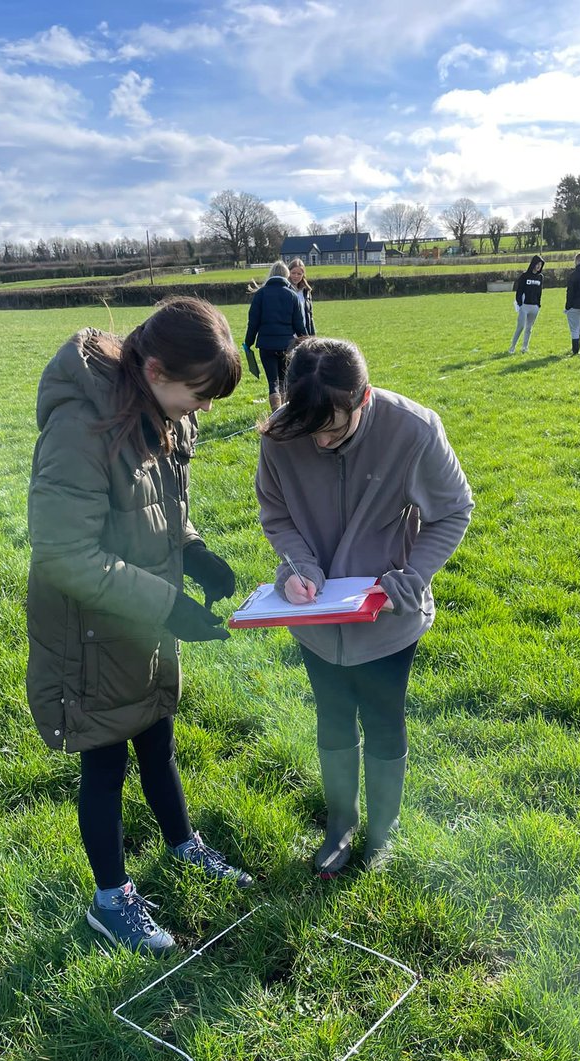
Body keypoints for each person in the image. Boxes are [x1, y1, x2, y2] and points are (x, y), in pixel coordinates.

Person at [27, 296, 252, 957]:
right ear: (154, 368)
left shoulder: (165, 413)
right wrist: (167, 604)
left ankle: (184, 845)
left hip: (145, 611)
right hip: (91, 626)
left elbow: (163, 505)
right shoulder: (80, 428)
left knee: (157, 737)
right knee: (105, 762)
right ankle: (111, 901)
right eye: (200, 392)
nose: (204, 408)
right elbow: (64, 554)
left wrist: (194, 550)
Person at [255, 338, 473, 876]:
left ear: (364, 398)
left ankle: (382, 832)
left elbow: (453, 510)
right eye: (312, 430)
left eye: (334, 427)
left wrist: (414, 574)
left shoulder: (415, 431)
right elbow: (275, 513)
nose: (322, 441)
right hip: (315, 619)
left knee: (383, 719)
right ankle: (339, 824)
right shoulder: (285, 433)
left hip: (387, 618)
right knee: (331, 718)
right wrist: (299, 565)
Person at [244, 261, 307, 412]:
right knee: (284, 381)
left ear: (271, 274)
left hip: (266, 345)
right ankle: (284, 414)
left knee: (273, 382)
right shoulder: (292, 296)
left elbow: (253, 322)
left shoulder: (260, 294)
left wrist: (248, 343)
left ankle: (275, 414)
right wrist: (308, 342)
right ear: (286, 275)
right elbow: (299, 325)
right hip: (287, 345)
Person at [508, 254, 545, 354]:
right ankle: (512, 346)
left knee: (529, 328)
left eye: (540, 265)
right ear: (533, 264)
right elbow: (519, 291)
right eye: (537, 264)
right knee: (520, 327)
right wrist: (520, 304)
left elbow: (539, 292)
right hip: (524, 306)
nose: (538, 266)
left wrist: (538, 305)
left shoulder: (540, 277)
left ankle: (525, 347)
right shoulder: (525, 276)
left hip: (534, 307)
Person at [287, 258, 316, 336]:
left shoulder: (306, 291)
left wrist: (313, 336)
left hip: (304, 335)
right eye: (293, 273)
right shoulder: (285, 290)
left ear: (303, 275)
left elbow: (310, 316)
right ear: (288, 272)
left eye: (299, 274)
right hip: (289, 336)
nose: (296, 276)